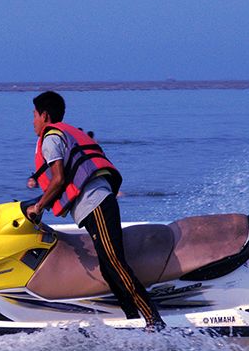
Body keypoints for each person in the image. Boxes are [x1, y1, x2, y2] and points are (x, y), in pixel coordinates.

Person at [25, 90, 165, 329]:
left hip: (96, 203)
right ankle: (132, 320)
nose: (32, 121)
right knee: (109, 270)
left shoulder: (50, 139)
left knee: (115, 264)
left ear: (45, 115)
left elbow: (58, 180)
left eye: (34, 115)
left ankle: (154, 322)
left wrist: (38, 207)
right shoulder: (62, 134)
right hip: (95, 204)